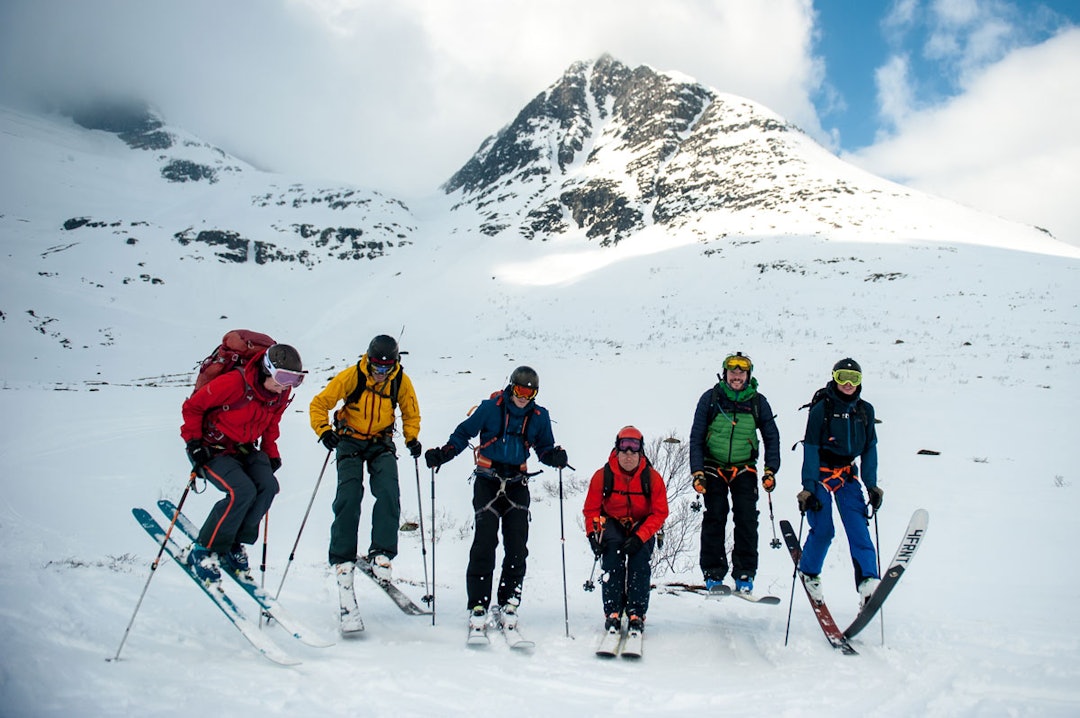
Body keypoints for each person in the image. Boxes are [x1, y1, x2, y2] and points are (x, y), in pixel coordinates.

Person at [424, 365, 567, 633]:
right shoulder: (490, 409)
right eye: (520, 389)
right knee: (485, 543)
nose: (524, 396)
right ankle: (478, 604)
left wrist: (555, 458)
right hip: (487, 481)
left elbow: (544, 449)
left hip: (517, 484)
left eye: (530, 391)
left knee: (517, 546)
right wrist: (444, 453)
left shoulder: (538, 416)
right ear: (511, 387)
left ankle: (509, 601)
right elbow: (463, 433)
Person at [308, 335, 421, 617]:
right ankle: (342, 558)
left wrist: (412, 438)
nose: (380, 372)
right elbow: (319, 404)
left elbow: (410, 412)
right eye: (376, 367)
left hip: (381, 443)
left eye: (386, 367)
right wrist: (324, 431)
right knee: (348, 495)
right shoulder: (352, 376)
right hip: (349, 441)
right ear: (368, 360)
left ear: (395, 364)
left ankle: (381, 555)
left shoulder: (400, 381)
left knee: (388, 493)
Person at [180, 343, 306, 584]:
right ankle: (203, 550)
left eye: (293, 381)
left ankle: (233, 543)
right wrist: (193, 443)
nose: (284, 387)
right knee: (241, 492)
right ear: (266, 370)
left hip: (244, 449)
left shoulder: (281, 391)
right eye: (281, 379)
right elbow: (193, 407)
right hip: (210, 449)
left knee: (268, 487)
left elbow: (272, 422)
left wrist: (271, 452)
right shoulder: (234, 384)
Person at [689, 351, 780, 596]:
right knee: (715, 516)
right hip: (713, 465)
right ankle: (713, 573)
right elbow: (696, 436)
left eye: (741, 371)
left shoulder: (758, 402)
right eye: (732, 371)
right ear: (725, 373)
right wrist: (697, 471)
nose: (736, 375)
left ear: (748, 375)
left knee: (747, 519)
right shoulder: (711, 399)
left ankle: (745, 574)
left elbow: (772, 436)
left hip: (744, 467)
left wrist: (771, 469)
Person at [796, 358, 883, 608]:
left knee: (858, 528)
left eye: (853, 378)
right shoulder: (821, 409)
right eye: (842, 377)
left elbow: (870, 449)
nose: (847, 383)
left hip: (847, 475)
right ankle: (810, 572)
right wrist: (808, 488)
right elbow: (810, 447)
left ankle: (868, 581)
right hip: (821, 474)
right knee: (824, 530)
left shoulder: (865, 410)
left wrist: (871, 485)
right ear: (834, 378)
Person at [583, 426, 669, 636]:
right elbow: (591, 509)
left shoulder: (652, 478)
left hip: (643, 523)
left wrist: (640, 537)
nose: (629, 455)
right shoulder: (602, 476)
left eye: (634, 450)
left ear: (641, 452)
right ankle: (613, 611)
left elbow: (660, 513)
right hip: (613, 521)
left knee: (640, 561)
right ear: (617, 450)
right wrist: (592, 534)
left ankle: (636, 613)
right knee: (612, 556)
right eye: (624, 450)